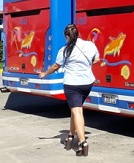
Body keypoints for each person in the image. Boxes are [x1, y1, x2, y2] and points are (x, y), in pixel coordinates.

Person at [39, 24, 100, 157]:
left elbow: (56, 66)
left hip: (72, 84)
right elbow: (97, 59)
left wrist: (44, 74)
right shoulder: (90, 45)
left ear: (66, 36)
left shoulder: (65, 50)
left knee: (77, 111)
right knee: (75, 109)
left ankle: (83, 143)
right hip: (87, 83)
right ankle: (71, 135)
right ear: (78, 34)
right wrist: (85, 65)